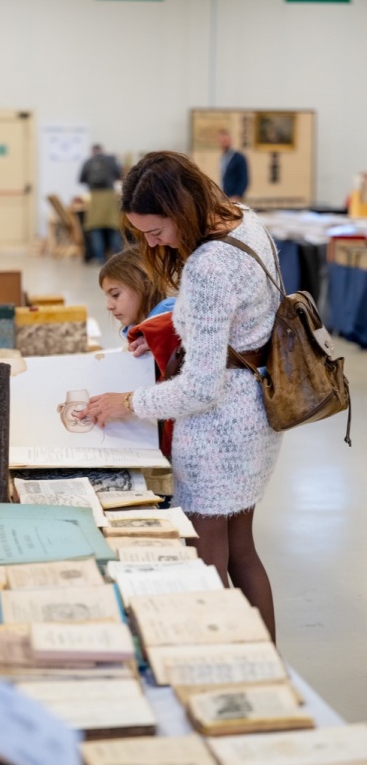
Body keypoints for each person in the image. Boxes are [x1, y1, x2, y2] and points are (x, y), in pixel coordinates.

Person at [75, 151, 282, 642]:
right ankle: (267, 663)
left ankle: (221, 663)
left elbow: (200, 388)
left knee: (207, 563)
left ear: (181, 207)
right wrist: (171, 330)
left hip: (217, 432)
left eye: (154, 231)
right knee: (241, 551)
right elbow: (242, 321)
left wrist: (127, 401)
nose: (154, 242)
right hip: (256, 410)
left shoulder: (209, 263)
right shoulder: (242, 220)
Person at [99, 247, 179, 457]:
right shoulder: (143, 330)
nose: (109, 306)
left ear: (145, 285)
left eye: (115, 295)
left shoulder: (166, 326)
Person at [79, 144, 123, 264]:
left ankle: (99, 258)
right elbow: (119, 174)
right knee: (113, 226)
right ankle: (117, 257)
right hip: (109, 195)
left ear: (92, 151)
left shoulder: (88, 162)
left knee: (95, 228)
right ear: (102, 150)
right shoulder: (110, 160)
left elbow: (81, 179)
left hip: (95, 196)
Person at [217, 128, 249, 201]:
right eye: (222, 141)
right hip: (225, 196)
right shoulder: (223, 158)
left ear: (231, 140)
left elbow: (244, 179)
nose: (224, 142)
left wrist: (238, 195)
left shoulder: (239, 158)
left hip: (234, 197)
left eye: (226, 140)